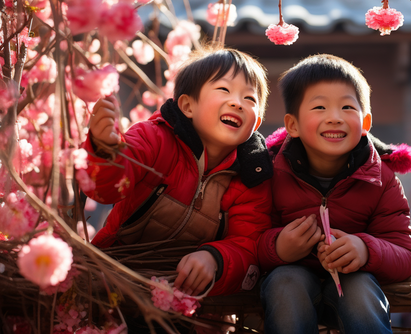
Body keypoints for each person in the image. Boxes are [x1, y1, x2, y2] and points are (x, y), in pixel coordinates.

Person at [82, 47, 273, 300]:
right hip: (117, 274)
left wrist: (215, 258)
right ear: (187, 106)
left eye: (249, 99)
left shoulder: (252, 176)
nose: (237, 102)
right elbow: (105, 189)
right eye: (224, 90)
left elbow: (248, 244)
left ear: (256, 122)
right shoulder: (153, 138)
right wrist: (105, 149)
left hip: (189, 294)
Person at [258, 54, 411, 334]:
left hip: (354, 279)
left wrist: (365, 249)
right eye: (319, 107)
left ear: (365, 122)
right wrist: (279, 247)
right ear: (292, 125)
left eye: (347, 107)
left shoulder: (381, 178)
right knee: (285, 283)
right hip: (290, 277)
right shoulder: (270, 172)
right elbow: (248, 239)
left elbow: (406, 255)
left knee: (360, 292)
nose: (334, 118)